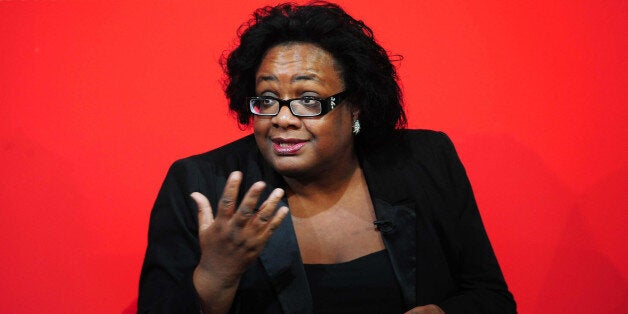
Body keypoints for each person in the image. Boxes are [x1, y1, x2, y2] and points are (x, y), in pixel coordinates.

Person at [138, 2, 516, 313]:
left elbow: (492, 298)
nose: (282, 119)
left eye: (308, 100)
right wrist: (214, 278)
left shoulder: (425, 162)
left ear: (355, 107)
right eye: (267, 100)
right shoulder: (200, 185)